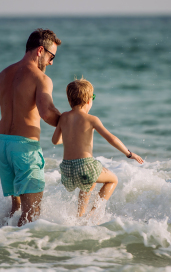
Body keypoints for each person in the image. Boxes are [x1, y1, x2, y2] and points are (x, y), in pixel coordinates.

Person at [0, 29, 62, 226]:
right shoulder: (41, 79)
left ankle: (7, 252)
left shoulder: (3, 74)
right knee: (32, 215)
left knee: (15, 210)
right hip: (24, 148)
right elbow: (47, 113)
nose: (52, 62)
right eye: (52, 56)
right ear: (41, 50)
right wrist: (69, 120)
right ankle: (26, 255)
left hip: (2, 146)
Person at [52, 78, 144, 218]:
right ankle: (93, 215)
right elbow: (111, 138)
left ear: (70, 100)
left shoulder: (63, 117)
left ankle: (80, 216)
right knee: (113, 179)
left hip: (67, 169)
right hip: (85, 166)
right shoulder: (92, 119)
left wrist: (71, 137)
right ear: (89, 100)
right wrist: (129, 153)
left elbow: (55, 140)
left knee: (89, 183)